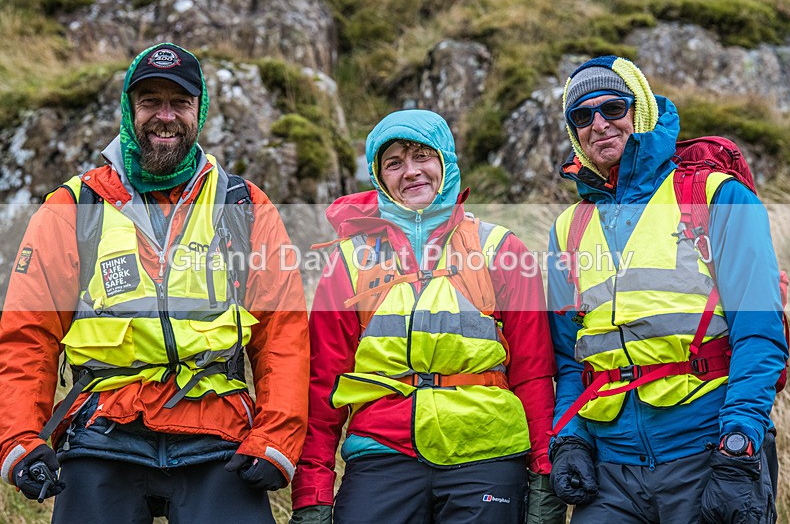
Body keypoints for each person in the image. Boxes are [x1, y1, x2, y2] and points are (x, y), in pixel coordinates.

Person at [0, 42, 310, 523]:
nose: (165, 116)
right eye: (150, 101)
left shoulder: (244, 207)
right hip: (101, 434)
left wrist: (276, 439)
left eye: (179, 102)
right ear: (129, 108)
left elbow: (283, 333)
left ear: (199, 111)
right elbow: (27, 334)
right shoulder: (71, 208)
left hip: (218, 439)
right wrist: (21, 439)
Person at [289, 109, 564, 524]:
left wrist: (544, 476)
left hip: (488, 454)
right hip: (382, 455)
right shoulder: (348, 262)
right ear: (379, 177)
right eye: (394, 163)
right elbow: (322, 388)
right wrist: (312, 495)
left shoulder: (500, 249)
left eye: (422, 156)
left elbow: (534, 375)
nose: (411, 171)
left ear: (446, 161)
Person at [546, 55, 788, 523]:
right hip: (611, 470)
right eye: (582, 115)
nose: (599, 124)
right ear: (574, 132)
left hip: (706, 451)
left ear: (639, 111)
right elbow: (569, 358)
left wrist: (738, 446)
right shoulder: (567, 229)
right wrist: (571, 439)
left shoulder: (717, 195)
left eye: (613, 108)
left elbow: (759, 334)